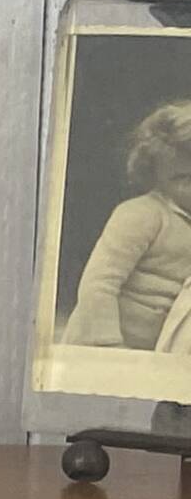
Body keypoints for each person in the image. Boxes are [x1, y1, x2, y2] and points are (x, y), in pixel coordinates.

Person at [63, 98, 191, 347]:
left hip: (157, 357)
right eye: (184, 178)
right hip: (104, 348)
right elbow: (99, 283)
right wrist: (108, 346)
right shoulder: (142, 215)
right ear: (155, 176)